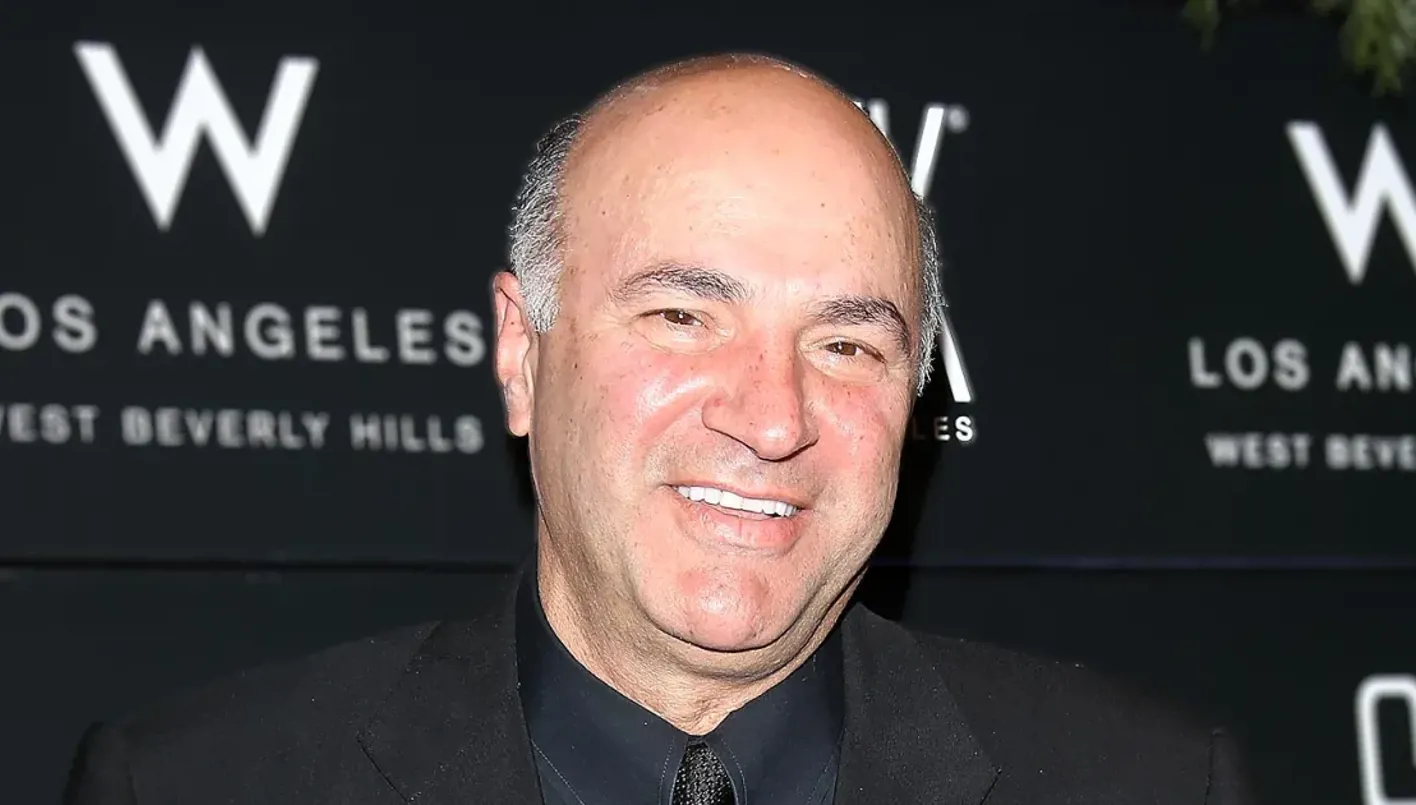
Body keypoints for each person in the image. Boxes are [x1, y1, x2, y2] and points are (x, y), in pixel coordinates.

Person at [63, 54, 1257, 805]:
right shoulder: (194, 785)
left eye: (847, 345)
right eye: (684, 317)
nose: (773, 417)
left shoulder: (1150, 786)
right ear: (522, 353)